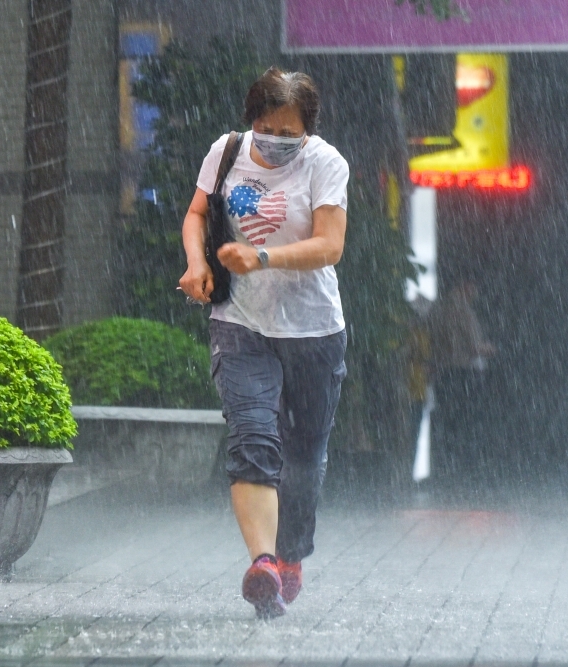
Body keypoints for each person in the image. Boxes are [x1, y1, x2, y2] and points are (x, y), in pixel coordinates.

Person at [178, 67, 349, 619]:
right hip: (240, 322)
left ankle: (291, 554)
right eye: (265, 127)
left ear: (308, 129)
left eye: (287, 131)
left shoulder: (325, 163)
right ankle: (264, 564)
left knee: (304, 456)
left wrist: (264, 256)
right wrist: (197, 263)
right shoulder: (227, 151)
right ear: (251, 119)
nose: (274, 140)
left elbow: (330, 245)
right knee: (253, 439)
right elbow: (197, 212)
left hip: (314, 331)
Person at [427, 281, 496, 479]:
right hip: (466, 374)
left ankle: (446, 468)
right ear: (466, 287)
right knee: (468, 423)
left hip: (444, 374)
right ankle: (468, 470)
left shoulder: (437, 310)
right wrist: (491, 349)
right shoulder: (464, 312)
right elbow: (474, 347)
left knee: (448, 422)